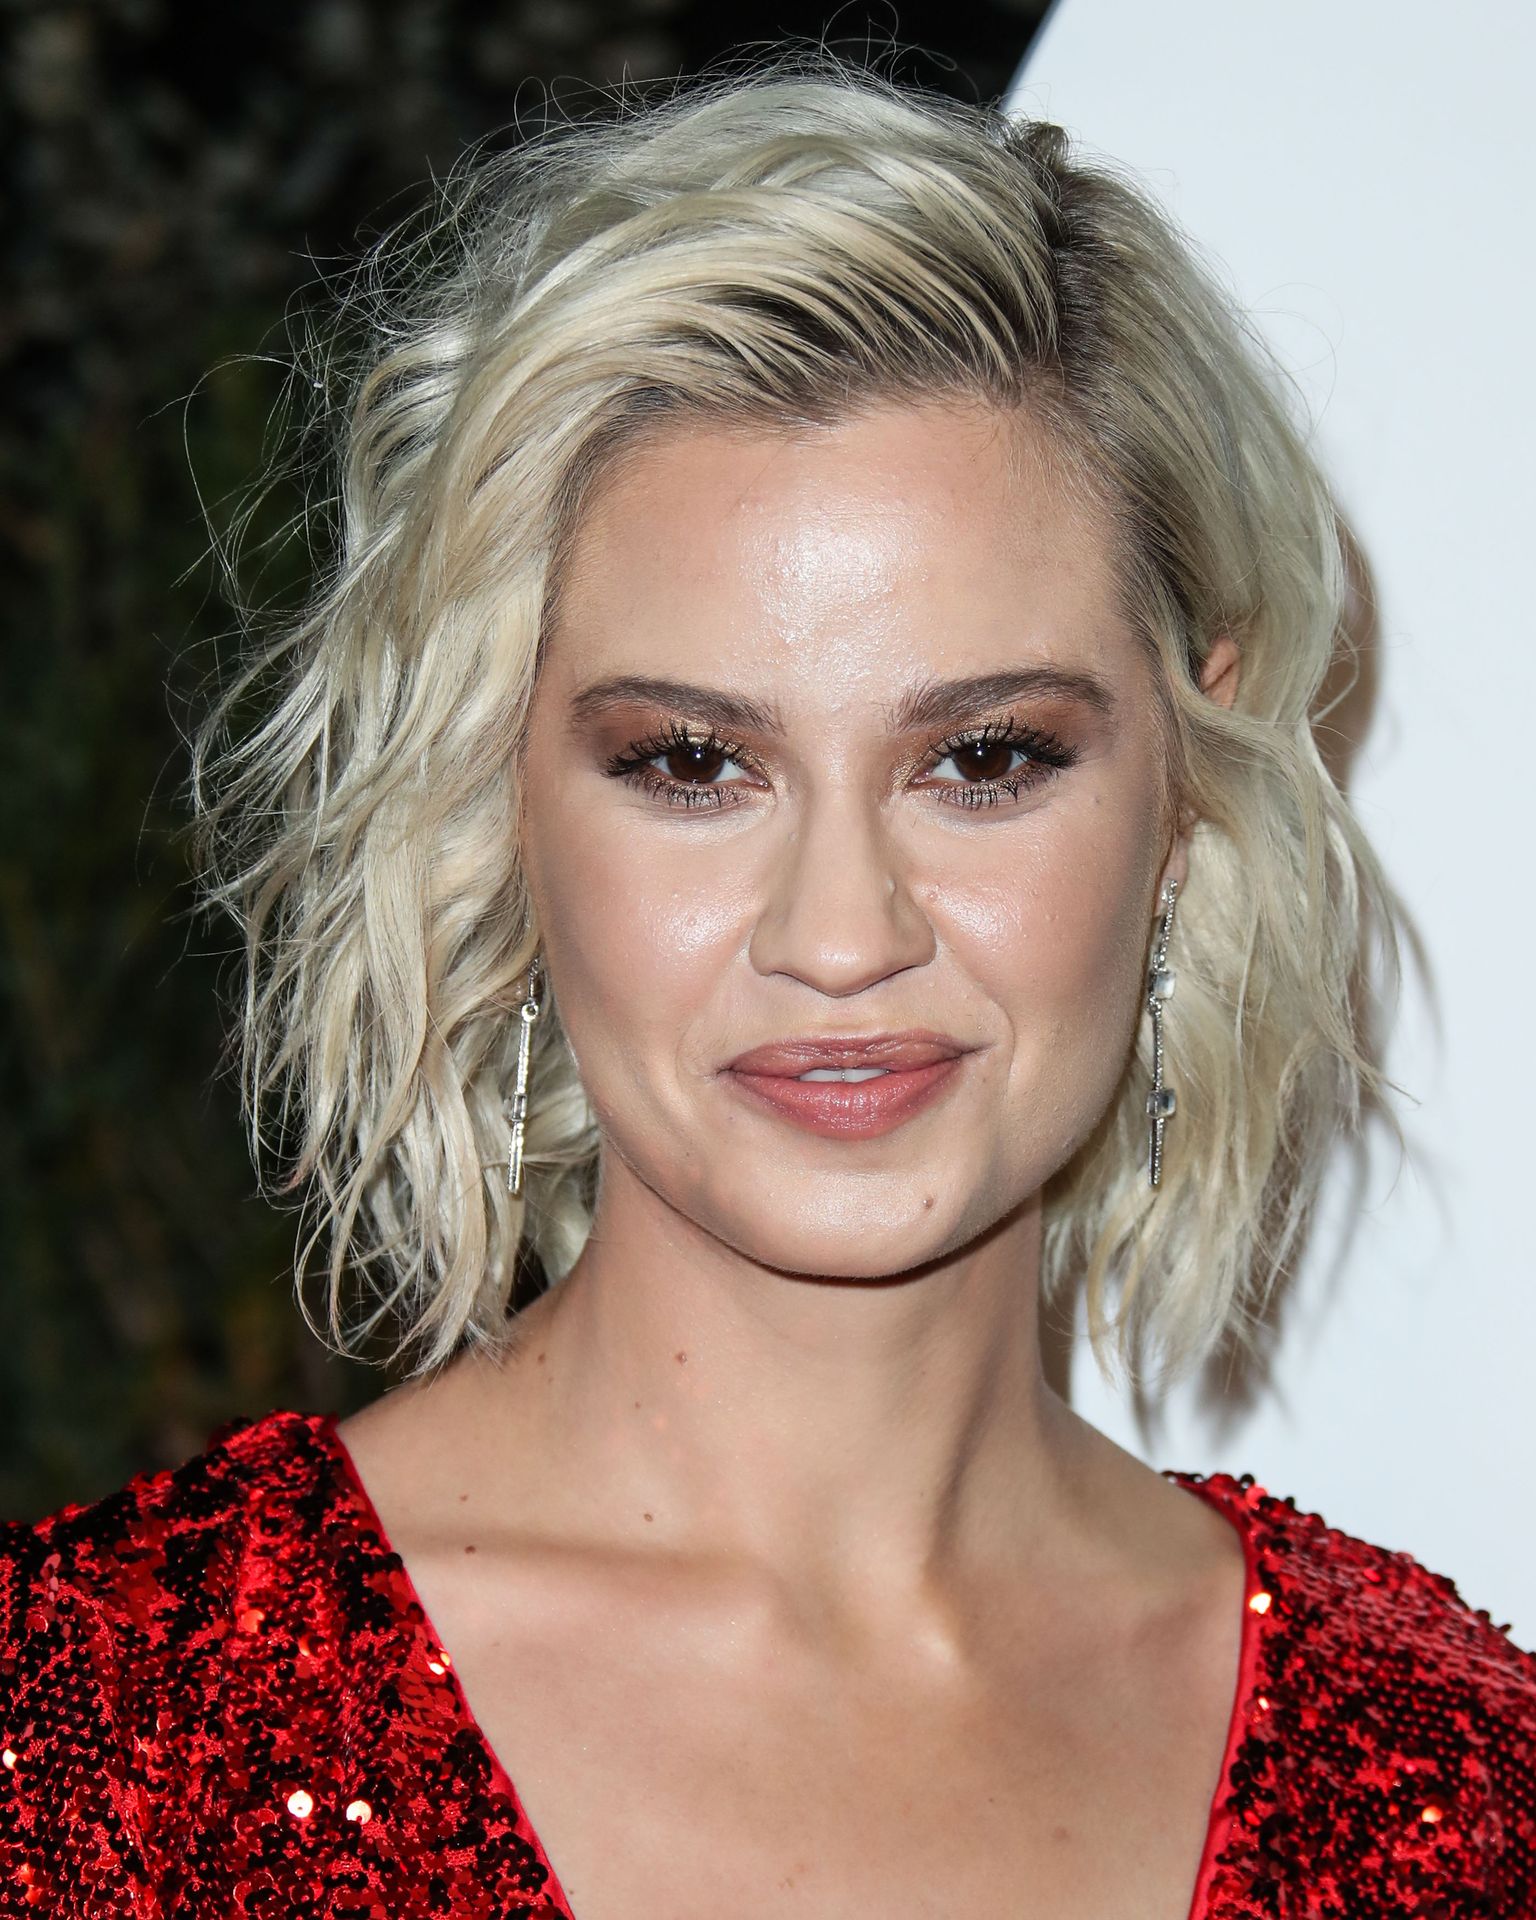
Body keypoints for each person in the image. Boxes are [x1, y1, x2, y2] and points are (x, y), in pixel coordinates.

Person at [3, 52, 1532, 1920]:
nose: (840, 933)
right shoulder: (93, 1739)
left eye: (985, 759)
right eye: (691, 764)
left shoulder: (1469, 1783)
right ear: (501, 803)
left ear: (1188, 796)